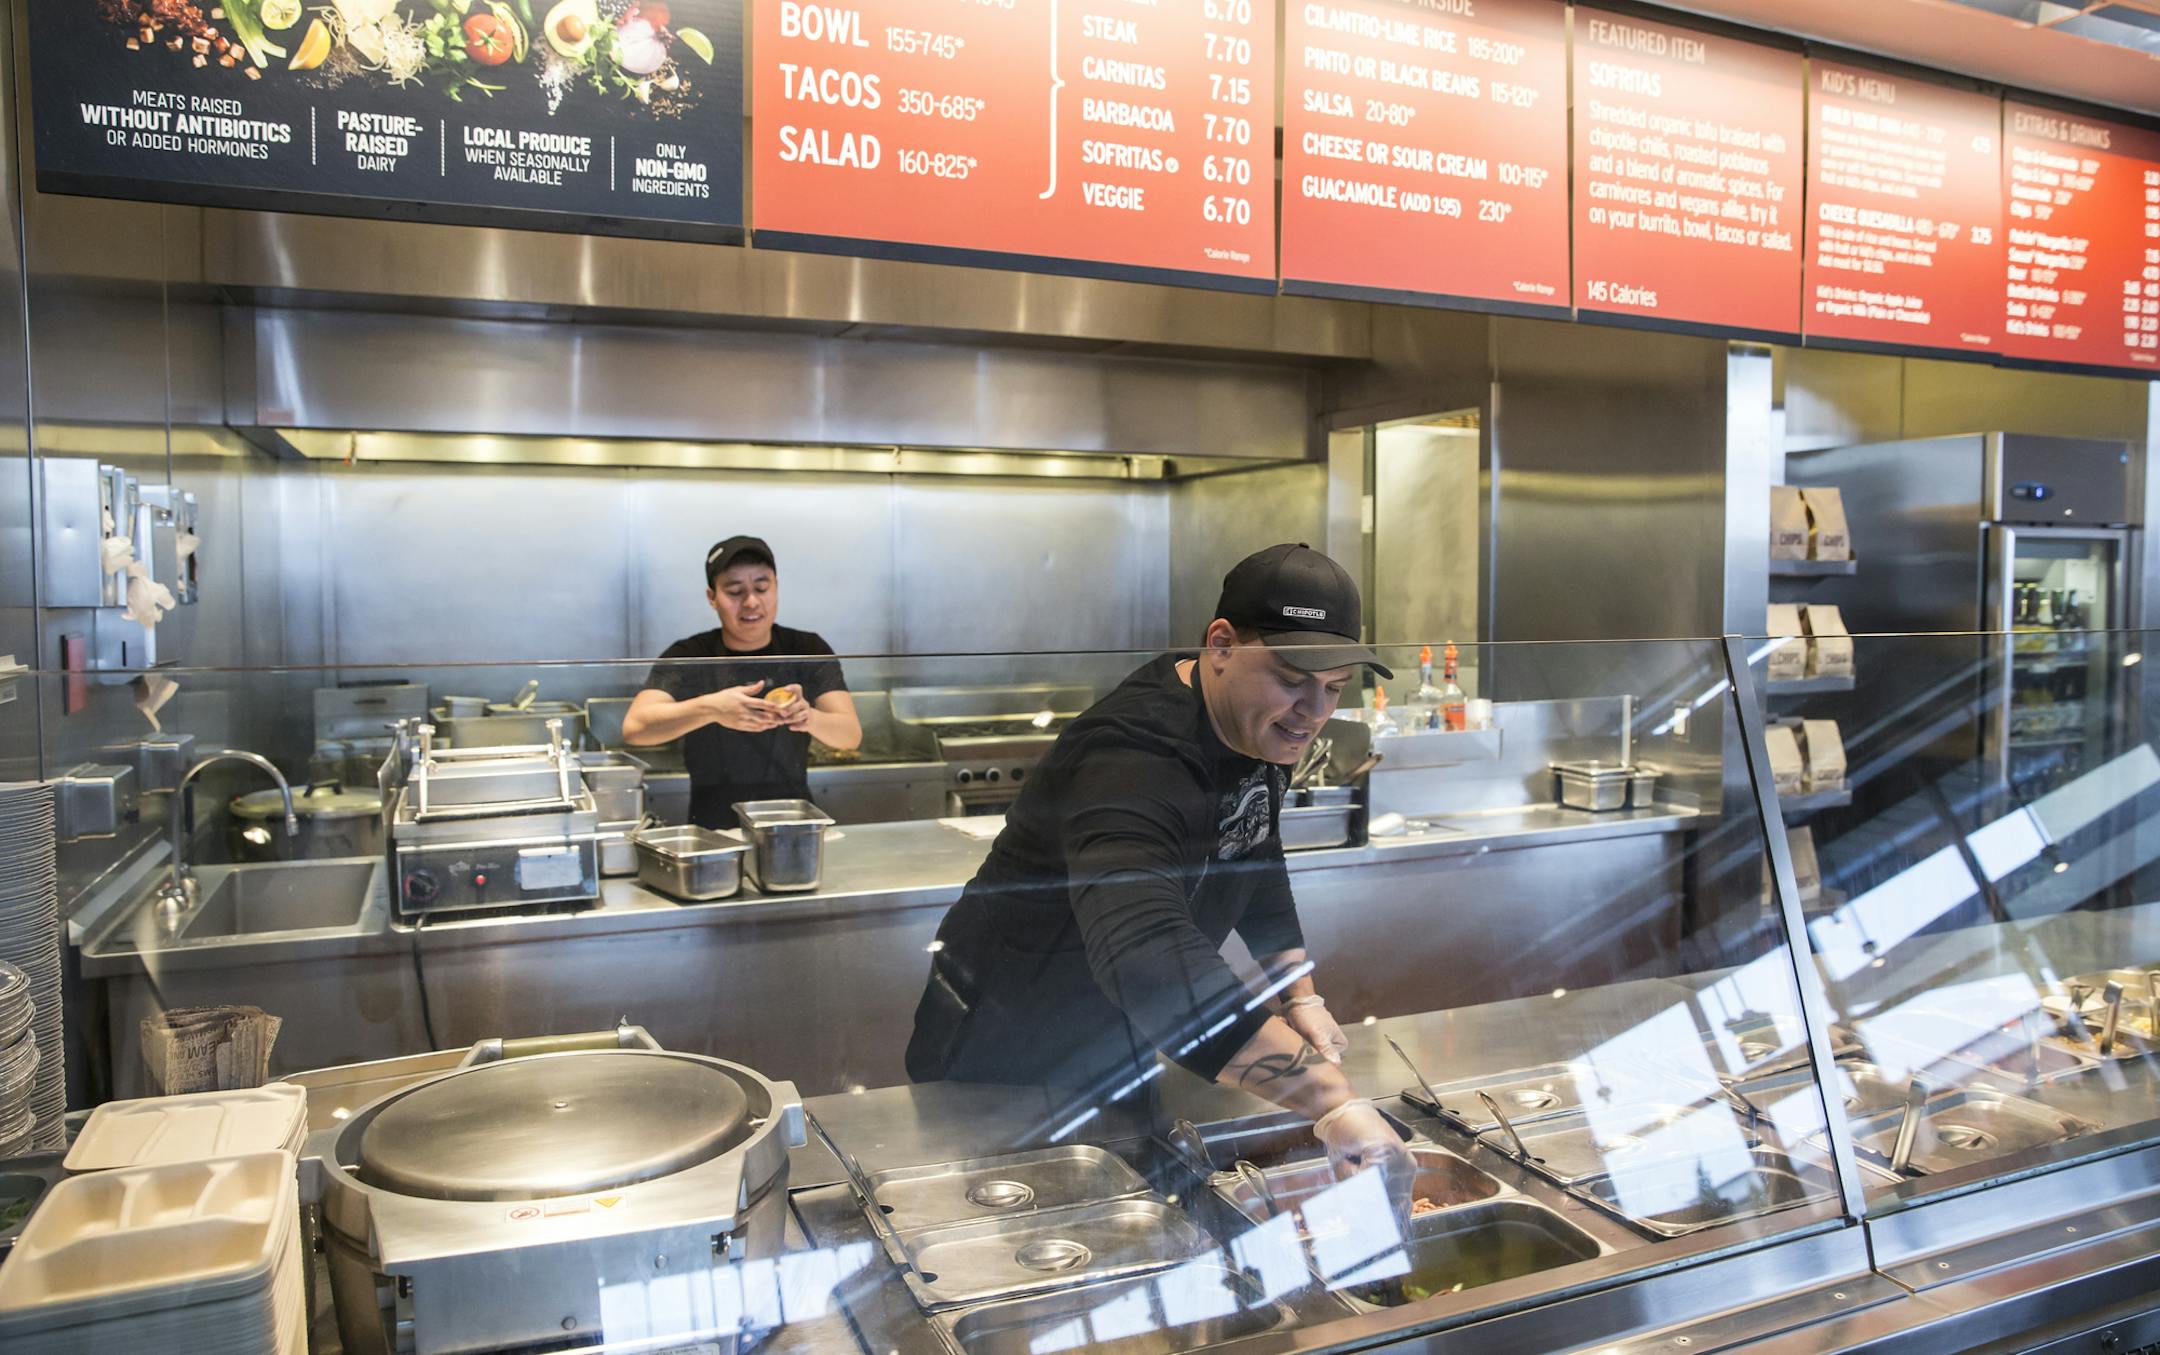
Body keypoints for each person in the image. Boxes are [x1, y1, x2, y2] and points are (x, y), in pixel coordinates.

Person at [905, 543, 1413, 1210]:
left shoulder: (1260, 726)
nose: (1313, 711)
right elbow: (1148, 960)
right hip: (1005, 1060)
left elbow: (1255, 849)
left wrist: (1299, 995)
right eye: (1293, 678)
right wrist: (1332, 1101)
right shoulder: (1133, 757)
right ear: (1222, 644)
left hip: (1120, 1041)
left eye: (1335, 686)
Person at [622, 536, 861, 829]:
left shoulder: (806, 648)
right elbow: (635, 728)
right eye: (735, 591)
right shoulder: (691, 655)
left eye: (762, 588)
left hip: (792, 825)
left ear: (776, 587)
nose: (751, 602)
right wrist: (712, 709)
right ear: (712, 597)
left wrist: (806, 715)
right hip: (712, 830)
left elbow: (850, 735)